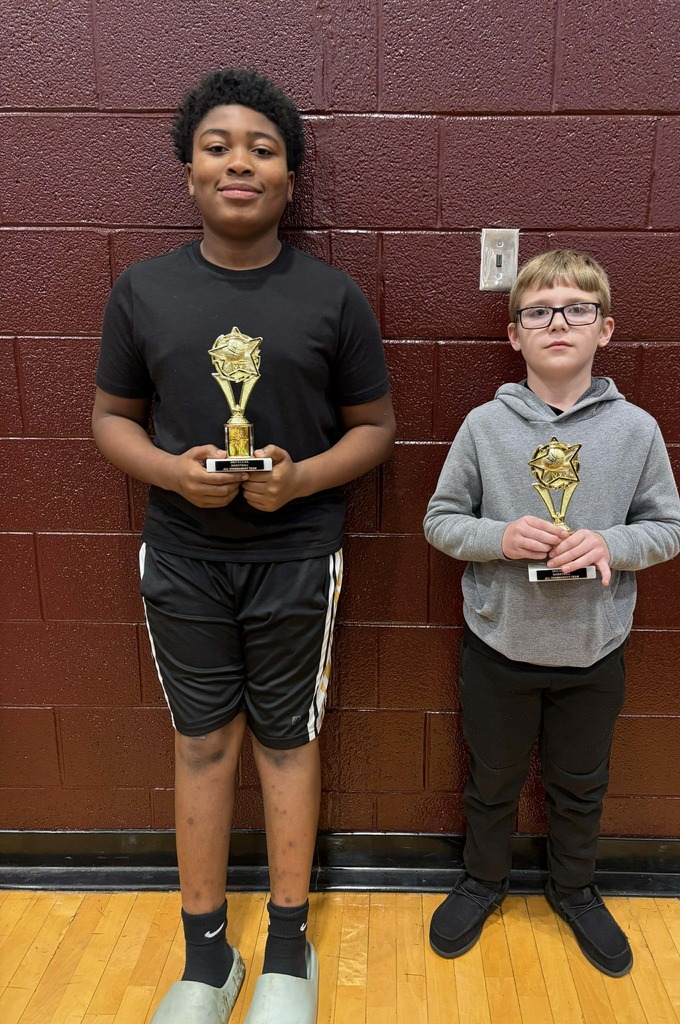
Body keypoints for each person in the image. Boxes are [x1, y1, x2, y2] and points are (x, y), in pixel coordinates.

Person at [93, 68, 395, 1024]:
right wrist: (167, 472)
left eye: (263, 149)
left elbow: (374, 428)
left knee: (286, 742)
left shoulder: (333, 296)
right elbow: (110, 419)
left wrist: (299, 477)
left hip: (298, 555)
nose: (239, 161)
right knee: (200, 746)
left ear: (291, 181)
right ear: (188, 171)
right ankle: (206, 959)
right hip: (181, 555)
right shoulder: (141, 291)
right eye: (218, 145)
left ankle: (290, 952)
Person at [423, 249, 680, 978]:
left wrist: (613, 542)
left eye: (577, 309)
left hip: (593, 652)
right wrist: (500, 538)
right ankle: (483, 881)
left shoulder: (637, 431)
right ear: (514, 336)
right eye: (539, 312)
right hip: (499, 648)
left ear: (606, 328)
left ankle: (573, 889)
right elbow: (441, 521)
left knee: (580, 783)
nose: (558, 323)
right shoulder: (484, 426)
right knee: (493, 778)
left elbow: (669, 530)